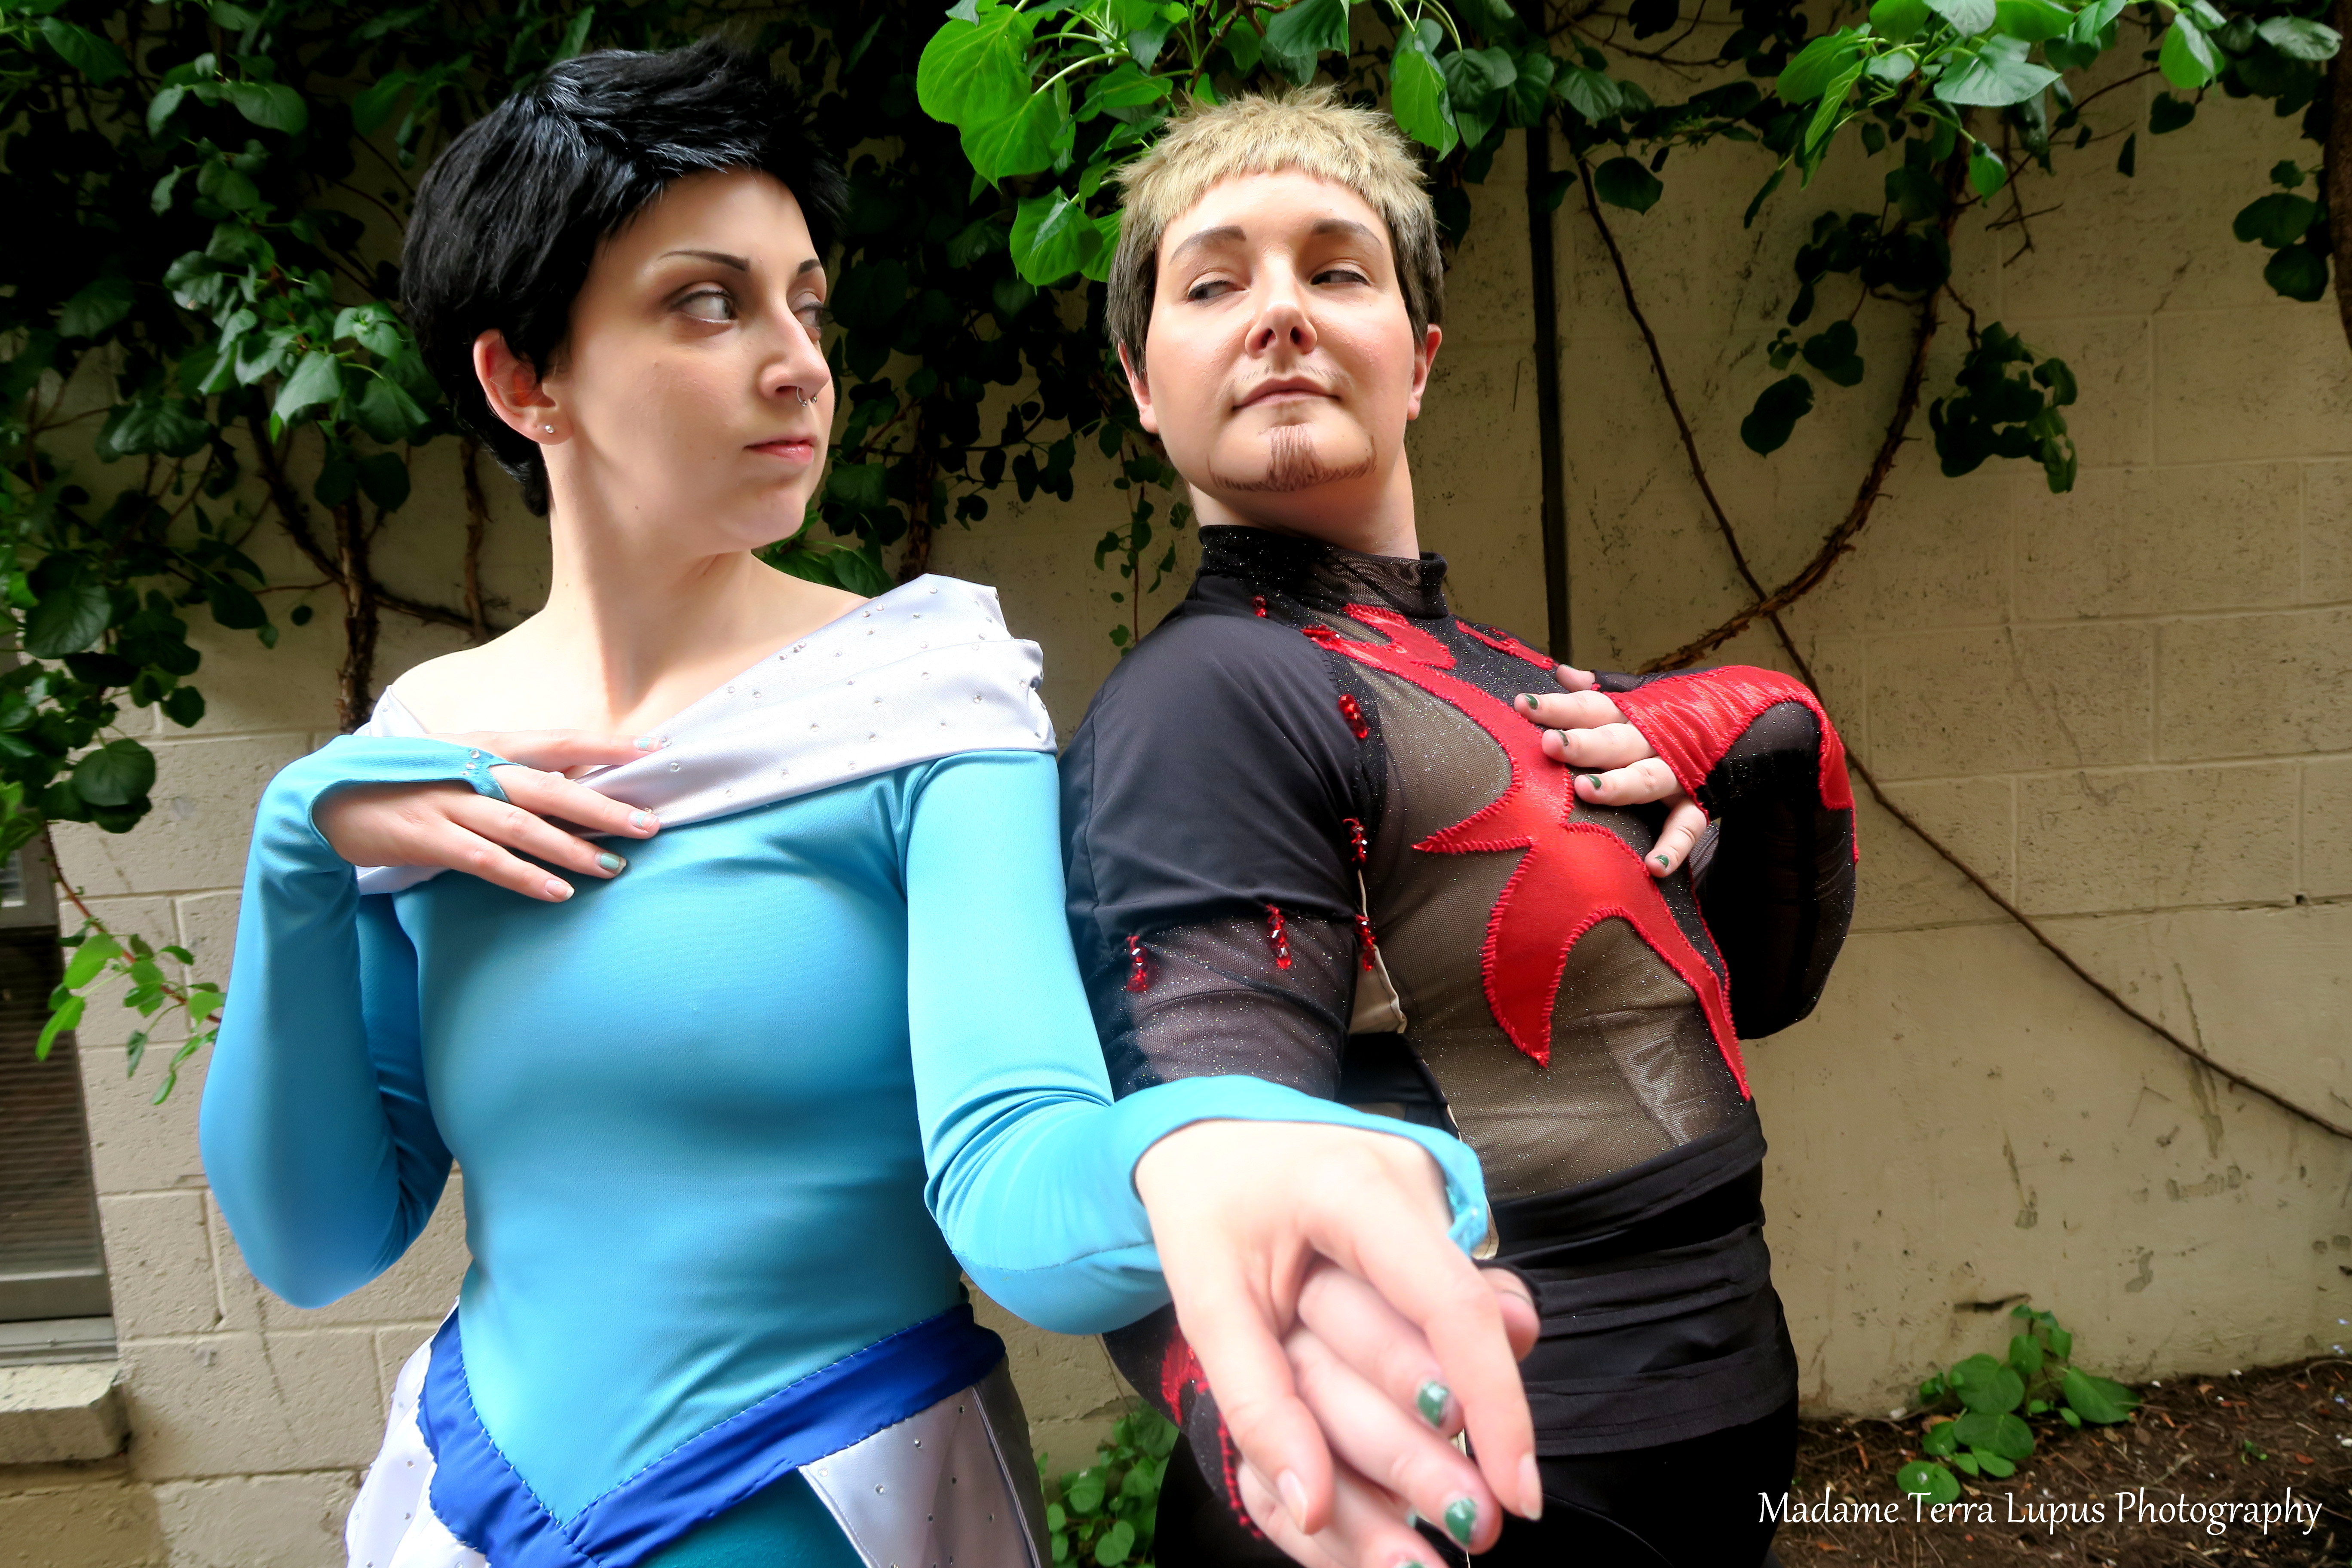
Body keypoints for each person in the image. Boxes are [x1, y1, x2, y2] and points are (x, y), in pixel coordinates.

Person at [197, 47, 1542, 1568]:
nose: (799, 364)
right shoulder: (426, 757)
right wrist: (296, 854)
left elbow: (1011, 1176)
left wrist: (1201, 1151)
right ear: (524, 382)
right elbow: (316, 1242)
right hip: (468, 1510)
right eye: (708, 304)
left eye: (807, 305)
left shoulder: (922, 704)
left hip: (833, 1505)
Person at [1059, 90, 1858, 1568]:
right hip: (1461, 1486)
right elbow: (1224, 1156)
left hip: (1702, 1431)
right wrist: (1268, 1421)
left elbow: (1758, 992)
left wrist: (1770, 733)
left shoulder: (1517, 688)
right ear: (1141, 382)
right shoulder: (1210, 696)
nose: (1281, 313)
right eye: (1214, 283)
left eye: (1336, 269)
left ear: (1420, 359)